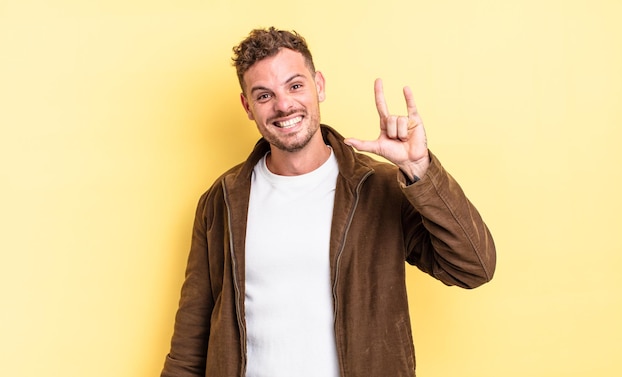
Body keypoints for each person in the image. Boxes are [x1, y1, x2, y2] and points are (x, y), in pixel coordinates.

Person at [160, 27, 496, 377]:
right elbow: (190, 340)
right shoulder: (223, 200)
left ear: (318, 85)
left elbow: (474, 267)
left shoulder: (379, 187)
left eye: (295, 86)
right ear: (247, 106)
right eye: (264, 96)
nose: (283, 105)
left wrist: (418, 168)